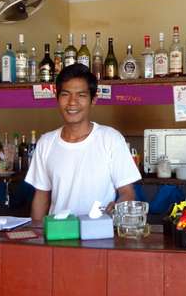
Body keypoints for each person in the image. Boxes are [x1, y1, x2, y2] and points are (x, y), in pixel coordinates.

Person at [26, 63, 140, 220]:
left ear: (93, 100)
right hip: (58, 236)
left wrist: (118, 207)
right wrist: (36, 237)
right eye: (66, 94)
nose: (72, 102)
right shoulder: (46, 143)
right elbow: (41, 197)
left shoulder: (111, 139)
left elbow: (127, 193)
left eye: (81, 95)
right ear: (57, 98)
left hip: (99, 236)